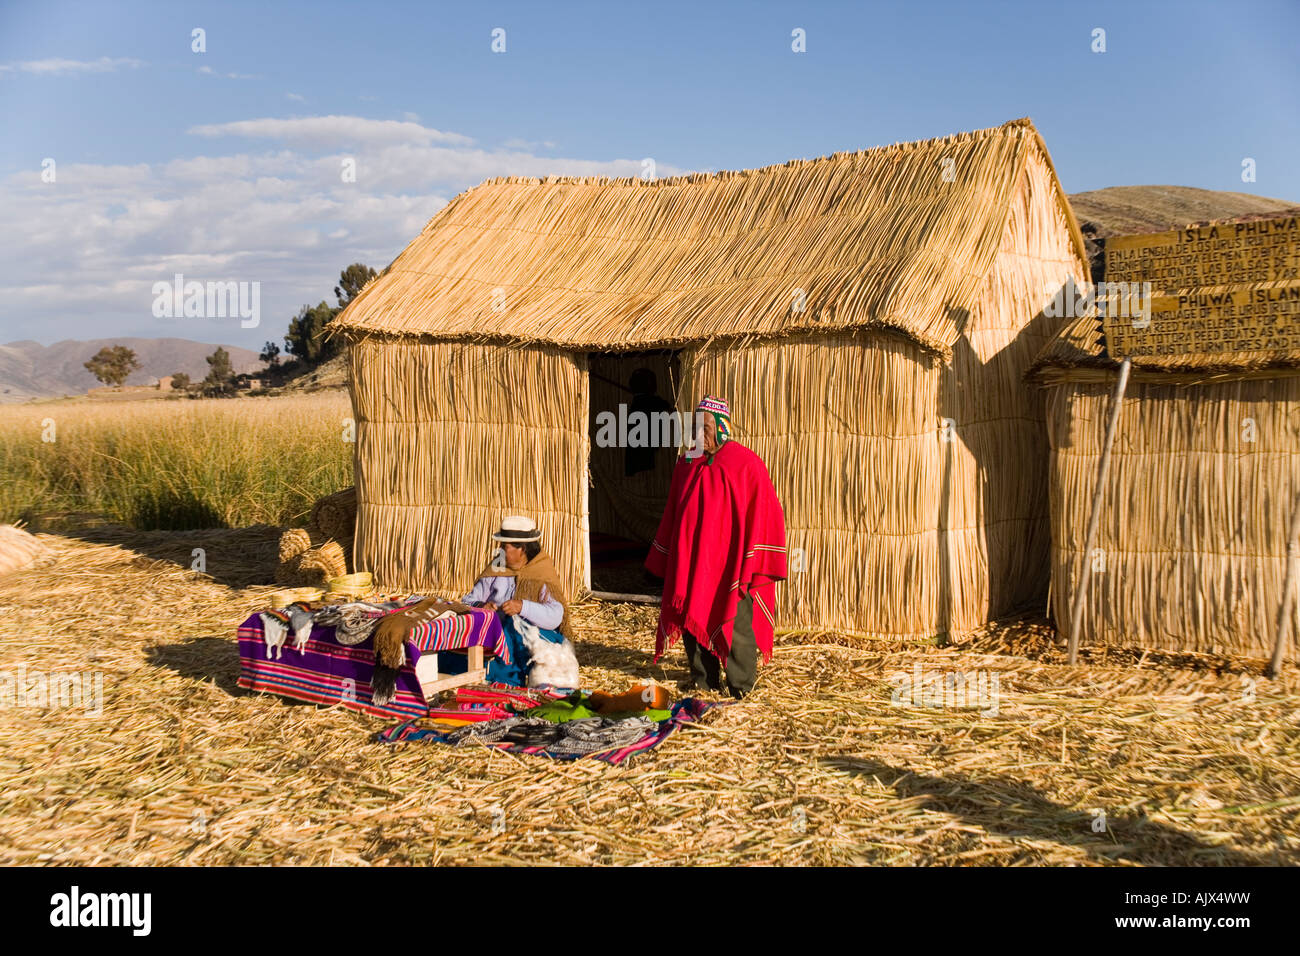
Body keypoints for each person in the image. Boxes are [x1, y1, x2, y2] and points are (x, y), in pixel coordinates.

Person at [645, 396, 787, 699]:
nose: (699, 434)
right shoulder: (686, 463)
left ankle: (741, 687)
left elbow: (765, 514)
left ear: (722, 428)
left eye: (706, 428)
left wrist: (752, 562)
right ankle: (703, 681)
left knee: (736, 627)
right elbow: (674, 512)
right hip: (693, 562)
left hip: (730, 566)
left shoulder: (746, 465)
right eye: (695, 427)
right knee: (690, 621)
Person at [462, 515, 571, 687]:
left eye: (505, 547)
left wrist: (523, 607)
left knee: (511, 628)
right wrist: (482, 607)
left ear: (522, 549)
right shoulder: (497, 567)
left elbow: (556, 615)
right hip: (497, 637)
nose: (500, 551)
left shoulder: (541, 571)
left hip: (534, 638)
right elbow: (469, 600)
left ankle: (506, 682)